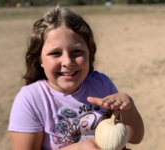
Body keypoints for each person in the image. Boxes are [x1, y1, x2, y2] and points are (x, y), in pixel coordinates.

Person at [8, 6, 144, 150]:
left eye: (76, 51)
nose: (67, 62)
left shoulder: (102, 84)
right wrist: (81, 148)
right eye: (55, 53)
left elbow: (133, 138)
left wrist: (129, 108)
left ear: (89, 54)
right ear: (39, 59)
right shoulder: (31, 99)